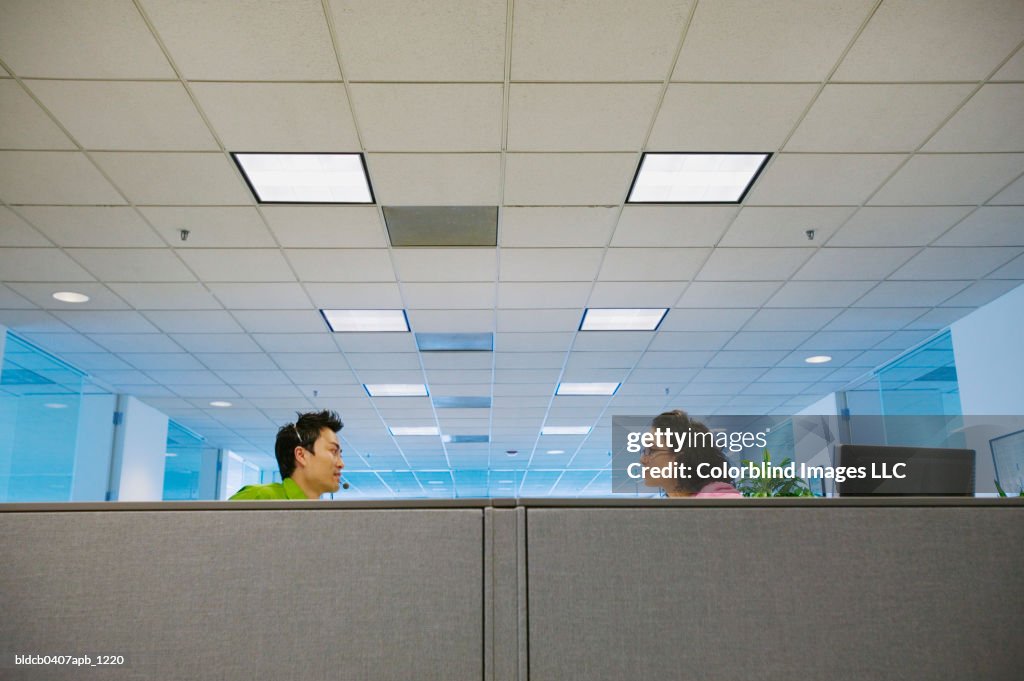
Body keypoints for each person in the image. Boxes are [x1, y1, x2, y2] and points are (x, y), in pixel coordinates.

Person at [230, 409, 345, 500]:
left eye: (340, 455)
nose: (341, 464)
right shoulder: (261, 498)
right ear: (301, 455)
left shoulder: (323, 515)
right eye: (333, 451)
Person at [638, 409, 742, 498]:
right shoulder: (673, 508)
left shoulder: (720, 501)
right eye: (645, 451)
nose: (642, 460)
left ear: (681, 456)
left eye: (651, 450)